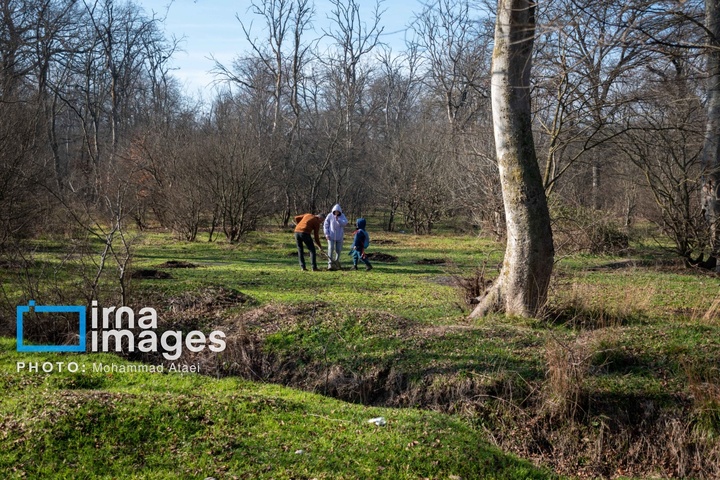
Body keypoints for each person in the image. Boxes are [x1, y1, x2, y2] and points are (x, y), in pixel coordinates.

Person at [323, 204, 349, 270]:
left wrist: (338, 220)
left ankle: (337, 261)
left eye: (338, 212)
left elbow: (345, 223)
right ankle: (330, 263)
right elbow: (325, 225)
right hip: (330, 236)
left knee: (338, 249)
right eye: (335, 211)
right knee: (331, 248)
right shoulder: (330, 216)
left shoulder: (342, 216)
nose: (336, 213)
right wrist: (326, 234)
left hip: (339, 236)